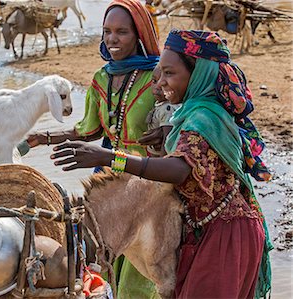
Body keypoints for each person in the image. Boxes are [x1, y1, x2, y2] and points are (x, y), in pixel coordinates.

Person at [51, 29, 273, 298]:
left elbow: (179, 171)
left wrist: (109, 157)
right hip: (212, 228)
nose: (161, 83)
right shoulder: (193, 111)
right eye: (160, 73)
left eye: (170, 74)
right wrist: (166, 140)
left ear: (197, 74)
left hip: (225, 233)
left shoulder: (203, 117)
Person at [25, 0, 162, 297]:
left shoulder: (159, 78)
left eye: (121, 32)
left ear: (139, 34)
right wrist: (46, 137)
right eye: (107, 31)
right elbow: (89, 130)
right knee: (100, 258)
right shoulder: (102, 78)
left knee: (143, 268)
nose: (112, 39)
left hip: (148, 179)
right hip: (108, 179)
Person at [145, 66, 181, 156]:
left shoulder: (167, 109)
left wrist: (161, 164)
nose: (158, 86)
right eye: (154, 81)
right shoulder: (160, 105)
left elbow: (166, 143)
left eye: (165, 82)